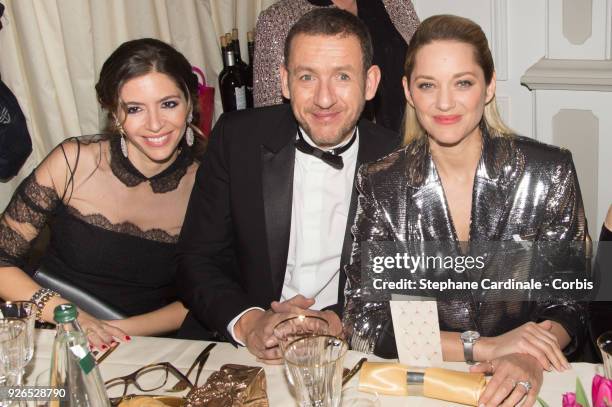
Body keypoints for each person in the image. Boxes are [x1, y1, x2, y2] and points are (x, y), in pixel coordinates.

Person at [342, 15, 588, 407]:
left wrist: (527, 354)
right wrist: (486, 347)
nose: (444, 103)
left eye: (463, 83)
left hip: (529, 381)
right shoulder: (380, 184)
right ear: (408, 91)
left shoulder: (548, 172)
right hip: (430, 385)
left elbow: (570, 300)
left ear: (488, 87)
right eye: (428, 85)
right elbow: (365, 322)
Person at [176, 8, 399, 361]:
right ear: (284, 81)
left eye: (342, 76)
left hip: (348, 348)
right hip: (237, 345)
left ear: (370, 83)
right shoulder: (237, 140)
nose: (324, 99)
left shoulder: (400, 159)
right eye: (307, 77)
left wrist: (337, 321)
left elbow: (404, 281)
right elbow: (196, 258)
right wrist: (249, 324)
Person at [0, 38, 204, 348]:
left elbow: (208, 294)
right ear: (113, 113)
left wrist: (110, 330)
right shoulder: (73, 162)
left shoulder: (210, 183)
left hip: (144, 346)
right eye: (134, 109)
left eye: (169, 104)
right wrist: (69, 316)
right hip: (51, 331)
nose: (155, 124)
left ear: (190, 102)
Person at [253, 0, 419, 132]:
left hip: (409, 146)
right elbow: (270, 119)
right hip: (334, 158)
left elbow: (422, 65)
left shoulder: (395, 3)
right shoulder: (278, 19)